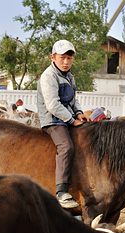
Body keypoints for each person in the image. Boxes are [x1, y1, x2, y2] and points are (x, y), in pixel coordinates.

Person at [37, 39, 91, 209]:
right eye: (62, 58)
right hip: (53, 120)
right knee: (66, 147)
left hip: (67, 117)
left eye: (70, 58)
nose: (66, 62)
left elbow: (74, 101)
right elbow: (52, 105)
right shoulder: (48, 76)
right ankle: (61, 191)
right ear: (53, 57)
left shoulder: (69, 76)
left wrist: (80, 114)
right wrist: (72, 120)